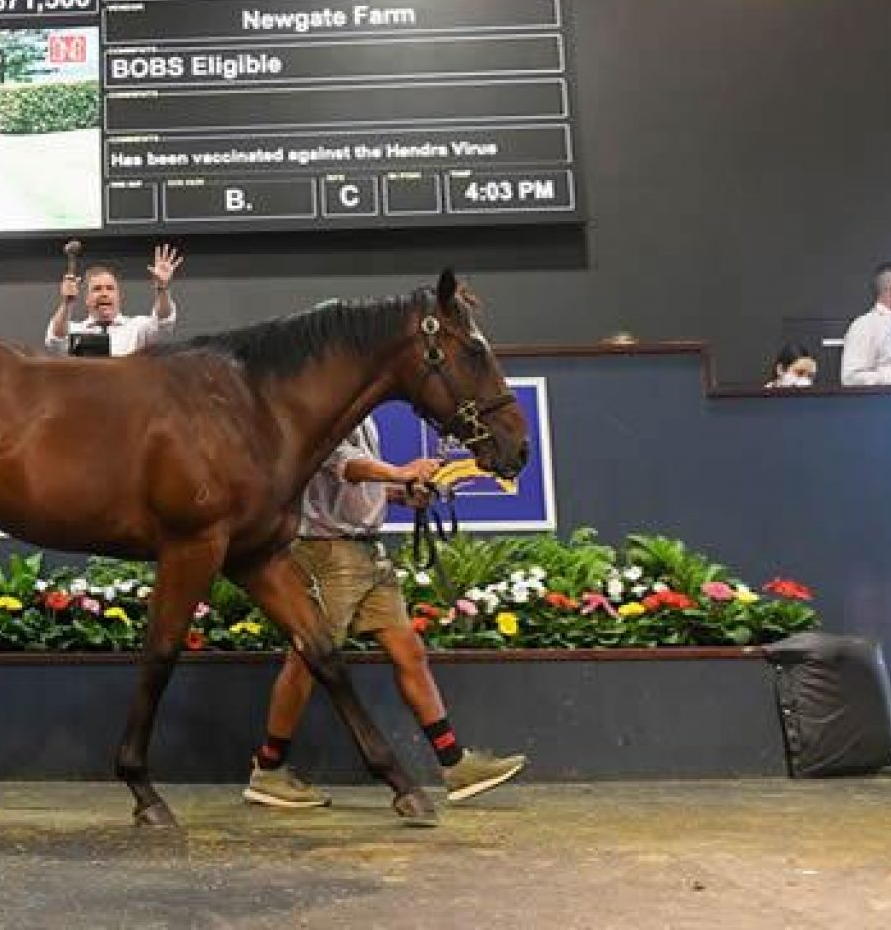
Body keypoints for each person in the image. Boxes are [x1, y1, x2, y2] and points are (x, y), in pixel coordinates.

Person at [244, 415, 528, 810]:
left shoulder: (368, 419)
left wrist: (399, 492)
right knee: (308, 660)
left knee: (409, 652)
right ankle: (268, 770)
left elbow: (358, 483)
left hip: (368, 552)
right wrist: (401, 470)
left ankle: (455, 765)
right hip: (327, 553)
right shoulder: (325, 412)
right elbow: (344, 465)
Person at [43, 244, 182, 356]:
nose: (104, 293)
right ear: (86, 298)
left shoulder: (137, 328)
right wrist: (67, 303)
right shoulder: (74, 330)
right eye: (97, 289)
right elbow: (56, 340)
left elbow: (163, 322)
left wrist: (162, 288)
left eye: (110, 288)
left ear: (118, 295)